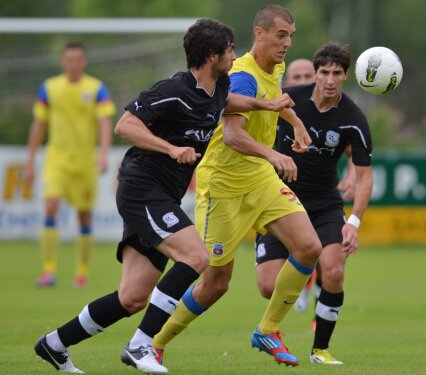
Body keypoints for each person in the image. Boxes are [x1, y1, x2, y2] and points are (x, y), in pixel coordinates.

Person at [33, 18, 294, 374]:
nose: (236, 54)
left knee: (132, 298)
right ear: (213, 55)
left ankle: (54, 344)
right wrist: (170, 149)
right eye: (231, 49)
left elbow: (226, 103)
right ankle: (141, 346)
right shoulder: (173, 89)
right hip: (142, 188)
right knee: (196, 256)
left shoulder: (219, 87)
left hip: (162, 196)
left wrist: (265, 106)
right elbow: (125, 124)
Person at [152, 4, 326, 369]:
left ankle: (268, 329)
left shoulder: (273, 67)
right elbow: (232, 136)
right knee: (215, 283)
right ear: (259, 34)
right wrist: (274, 155)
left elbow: (271, 100)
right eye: (281, 35)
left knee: (309, 247)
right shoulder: (242, 76)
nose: (287, 44)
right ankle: (154, 342)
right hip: (224, 186)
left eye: (291, 36)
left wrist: (294, 122)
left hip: (258, 179)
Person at [255, 41, 374, 365]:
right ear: (316, 73)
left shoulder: (353, 119)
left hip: (324, 204)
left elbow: (364, 176)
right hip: (279, 200)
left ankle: (320, 349)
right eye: (325, 72)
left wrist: (354, 223)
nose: (330, 79)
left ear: (346, 75)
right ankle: (277, 320)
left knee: (334, 271)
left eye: (337, 73)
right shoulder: (290, 100)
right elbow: (254, 124)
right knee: (267, 286)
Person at [24, 41, 116, 289]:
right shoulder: (50, 88)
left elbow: (105, 120)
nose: (73, 63)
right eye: (69, 59)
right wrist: (30, 162)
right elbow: (39, 124)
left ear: (83, 62)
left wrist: (104, 154)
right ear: (63, 62)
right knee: (50, 206)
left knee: (84, 216)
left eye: (78, 59)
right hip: (56, 160)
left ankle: (82, 272)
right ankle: (48, 270)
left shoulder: (96, 88)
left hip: (85, 162)